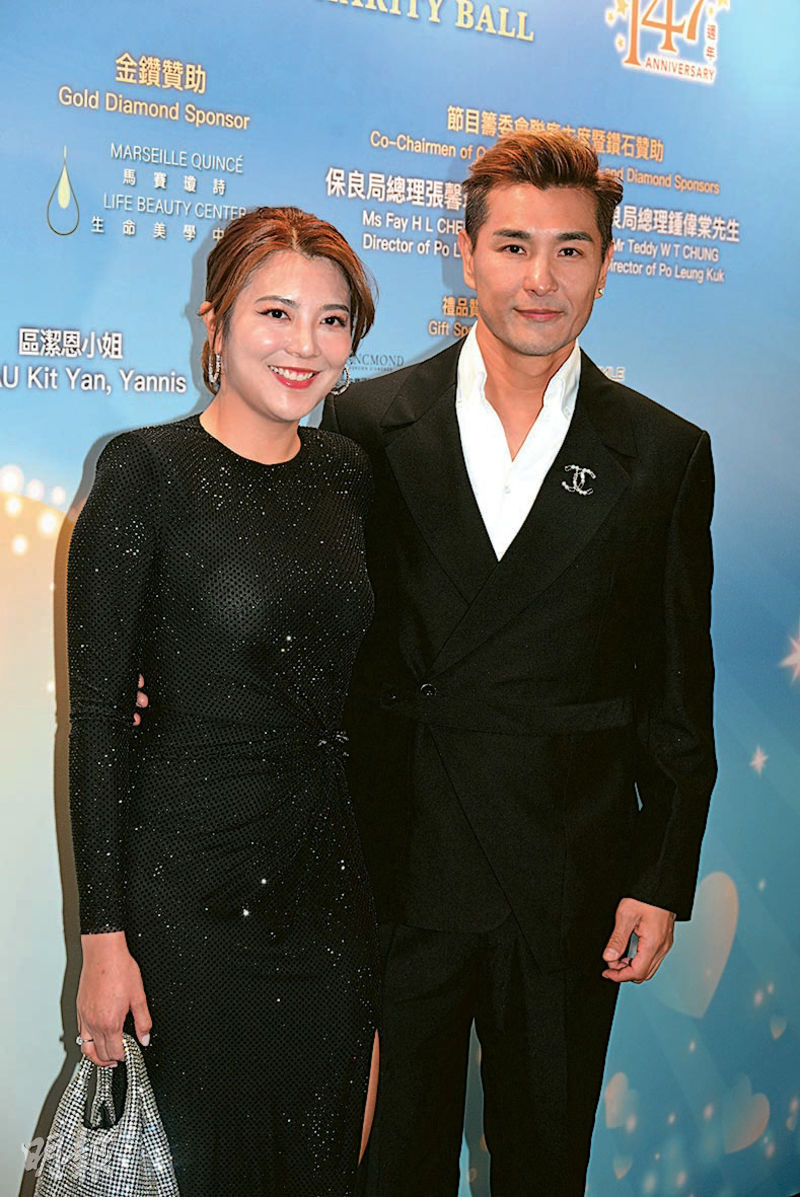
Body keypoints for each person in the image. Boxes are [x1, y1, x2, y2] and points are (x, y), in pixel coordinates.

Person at [321, 132, 716, 1196]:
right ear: (466, 254)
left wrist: (660, 877)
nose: (540, 279)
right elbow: (327, 635)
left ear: (605, 263)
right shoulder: (367, 422)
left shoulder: (662, 452)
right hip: (401, 864)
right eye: (512, 246)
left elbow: (679, 685)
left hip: (568, 873)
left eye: (569, 250)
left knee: (543, 1162)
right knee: (388, 1163)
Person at [67, 206, 380, 1196]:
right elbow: (98, 721)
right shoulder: (145, 471)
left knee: (322, 1167)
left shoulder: (346, 474)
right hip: (190, 898)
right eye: (275, 312)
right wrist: (103, 938)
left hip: (329, 892)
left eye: (332, 320)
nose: (304, 345)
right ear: (215, 322)